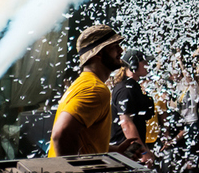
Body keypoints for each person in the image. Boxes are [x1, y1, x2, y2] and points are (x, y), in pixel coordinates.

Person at [49, 24, 138, 157]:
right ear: (99, 53)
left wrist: (116, 150)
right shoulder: (95, 89)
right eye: (114, 47)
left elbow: (84, 141)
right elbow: (61, 133)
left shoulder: (81, 83)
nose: (121, 50)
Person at [109, 48, 156, 164]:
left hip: (129, 151)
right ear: (134, 65)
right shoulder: (126, 89)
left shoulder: (132, 86)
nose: (147, 65)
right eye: (144, 62)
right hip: (124, 152)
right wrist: (143, 152)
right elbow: (126, 123)